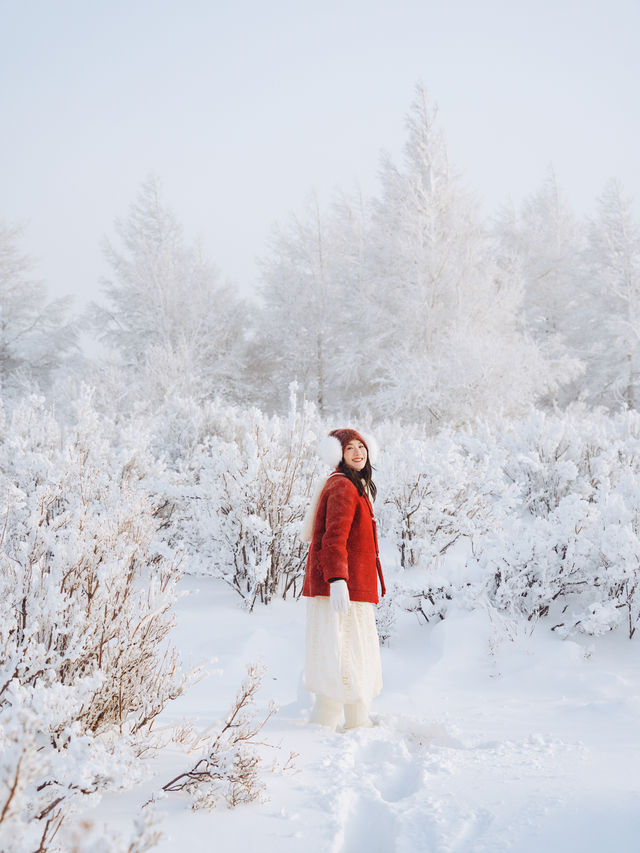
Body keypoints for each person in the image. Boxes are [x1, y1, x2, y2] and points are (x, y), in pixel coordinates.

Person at [301, 428, 386, 731]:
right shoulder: (344, 487)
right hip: (344, 588)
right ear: (338, 454)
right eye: (349, 448)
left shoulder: (351, 485)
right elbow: (332, 538)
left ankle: (328, 723)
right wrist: (338, 579)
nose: (357, 452)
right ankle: (354, 725)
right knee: (350, 653)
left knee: (341, 652)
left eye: (361, 446)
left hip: (350, 586)